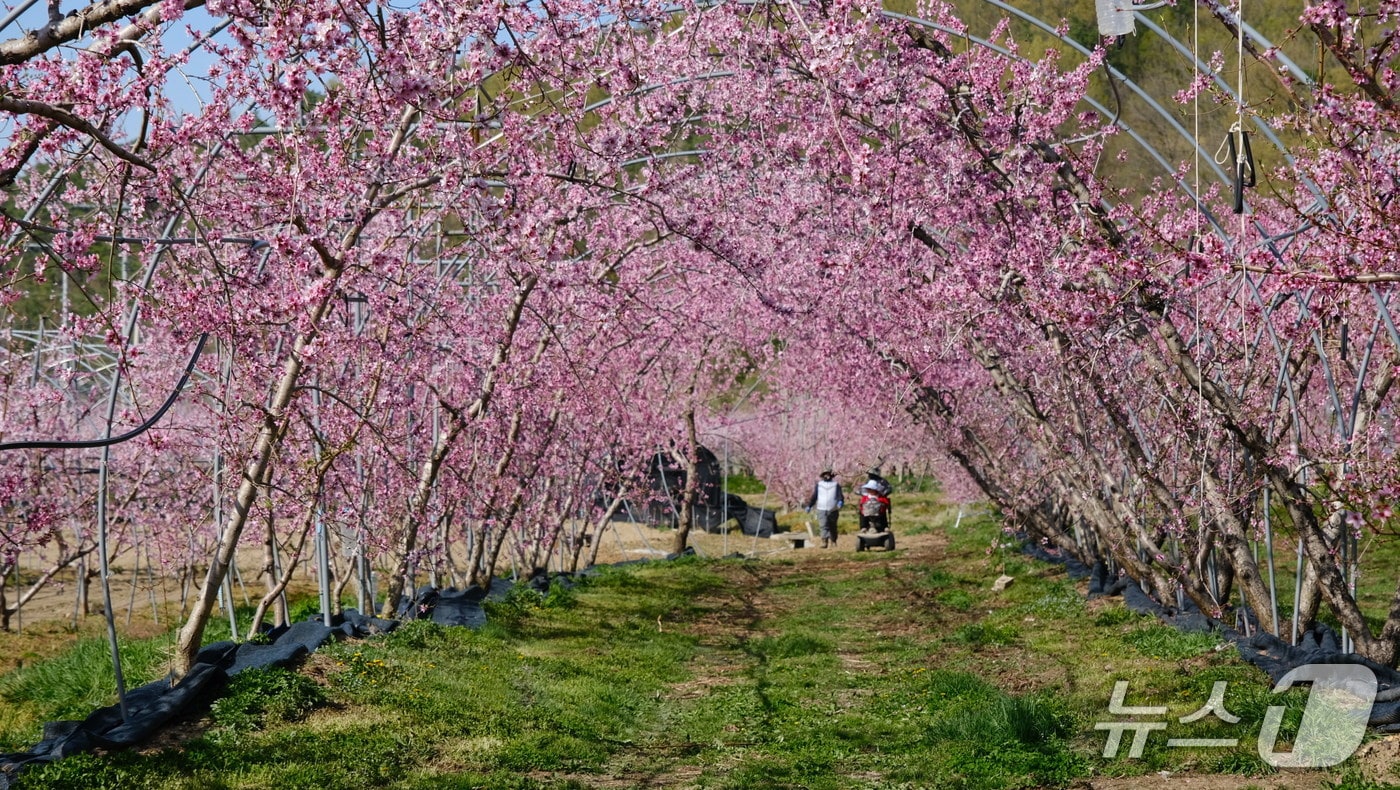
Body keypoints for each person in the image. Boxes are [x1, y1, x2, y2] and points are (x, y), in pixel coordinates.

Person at [804, 469, 845, 548]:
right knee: (823, 525)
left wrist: (840, 502)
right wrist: (809, 505)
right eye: (825, 474)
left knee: (832, 526)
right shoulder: (819, 485)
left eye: (828, 474)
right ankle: (824, 541)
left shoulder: (836, 485)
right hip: (821, 508)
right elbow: (814, 496)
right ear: (822, 476)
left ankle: (833, 540)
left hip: (833, 509)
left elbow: (840, 496)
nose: (827, 476)